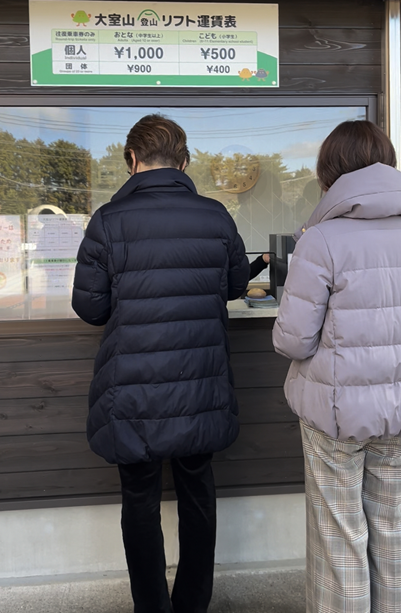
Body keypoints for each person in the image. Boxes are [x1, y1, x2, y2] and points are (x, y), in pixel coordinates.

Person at [72, 114, 250, 613]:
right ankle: (192, 604)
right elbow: (236, 285)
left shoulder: (108, 221)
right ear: (185, 162)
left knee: (140, 500)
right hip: (199, 388)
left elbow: (91, 308)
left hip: (133, 391)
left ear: (132, 159)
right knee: (197, 493)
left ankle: (152, 606)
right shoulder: (216, 216)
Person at [272, 120, 401, 613]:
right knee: (392, 529)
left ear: (330, 172)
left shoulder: (321, 239)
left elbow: (294, 340)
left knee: (339, 536)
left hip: (335, 413)